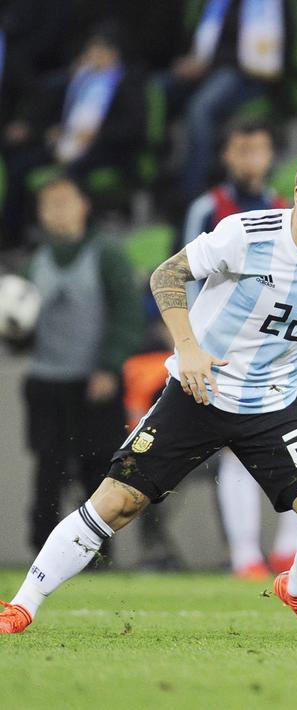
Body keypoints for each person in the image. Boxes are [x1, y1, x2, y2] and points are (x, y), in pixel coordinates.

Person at [0, 142, 297, 636]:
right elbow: (167, 274)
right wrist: (188, 348)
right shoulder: (247, 235)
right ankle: (22, 605)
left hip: (274, 406)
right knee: (116, 502)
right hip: (199, 393)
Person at [181, 119, 297, 580]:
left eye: (258, 149)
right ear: (227, 156)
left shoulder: (285, 208)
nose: (251, 159)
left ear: (270, 155)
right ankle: (245, 554)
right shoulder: (209, 209)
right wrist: (188, 342)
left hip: (283, 343)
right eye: (242, 150)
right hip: (225, 349)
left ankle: (285, 549)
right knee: (234, 447)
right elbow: (184, 272)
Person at [19, 176, 142, 556]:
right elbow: (21, 325)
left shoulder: (106, 254)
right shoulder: (34, 262)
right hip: (46, 381)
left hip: (94, 383)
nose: (58, 211)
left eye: (65, 201)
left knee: (98, 467)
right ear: (40, 213)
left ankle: (97, 553)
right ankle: (42, 551)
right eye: (50, 204)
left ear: (83, 206)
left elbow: (128, 313)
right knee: (47, 469)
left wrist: (108, 366)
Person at [2, 22, 146, 249]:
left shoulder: (127, 83)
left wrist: (98, 134)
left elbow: (133, 126)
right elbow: (59, 111)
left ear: (114, 53)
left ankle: (78, 239)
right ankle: (13, 237)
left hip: (104, 149)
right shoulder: (80, 79)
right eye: (92, 49)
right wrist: (55, 130)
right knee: (19, 166)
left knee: (71, 176)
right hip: (66, 143)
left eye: (101, 50)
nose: (94, 55)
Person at [165, 0, 297, 202]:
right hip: (209, 70)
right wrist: (192, 62)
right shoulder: (216, 4)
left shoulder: (271, 5)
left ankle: (191, 192)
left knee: (199, 109)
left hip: (247, 75)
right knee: (158, 89)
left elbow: (280, 49)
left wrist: (207, 65)